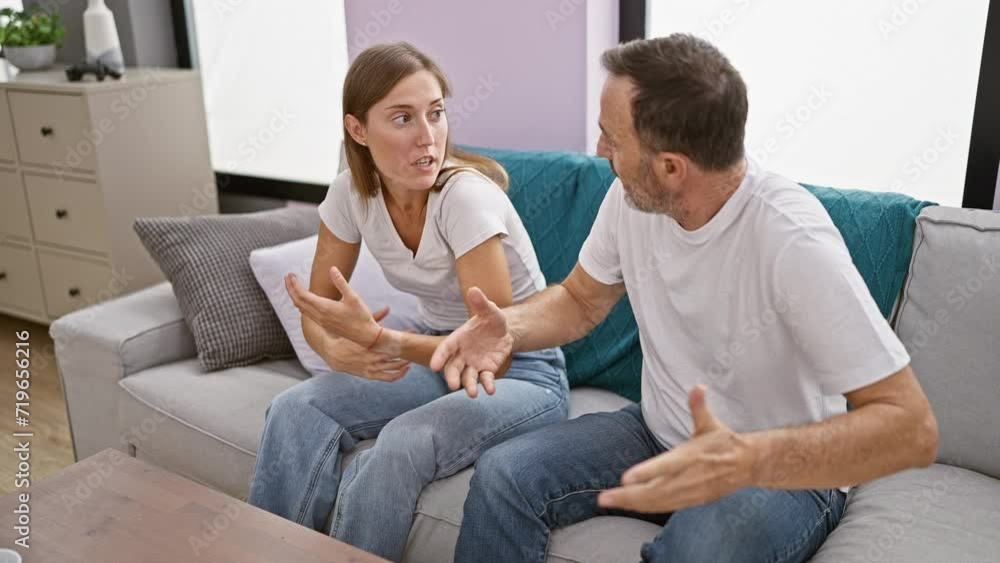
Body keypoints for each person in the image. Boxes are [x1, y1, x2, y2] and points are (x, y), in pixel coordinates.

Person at [432, 34, 939, 563]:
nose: (601, 151)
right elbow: (581, 300)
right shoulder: (631, 201)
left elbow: (912, 428)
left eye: (612, 139)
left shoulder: (793, 241)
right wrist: (511, 326)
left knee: (695, 549)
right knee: (504, 475)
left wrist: (748, 459)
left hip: (780, 472)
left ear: (672, 167)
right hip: (657, 434)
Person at [246, 41, 569, 562]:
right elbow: (317, 311)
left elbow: (496, 351)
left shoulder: (464, 199)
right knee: (295, 408)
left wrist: (378, 341)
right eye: (403, 118)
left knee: (404, 442)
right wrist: (334, 350)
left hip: (520, 373)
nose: (428, 137)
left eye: (436, 114)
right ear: (358, 129)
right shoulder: (350, 195)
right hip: (435, 350)